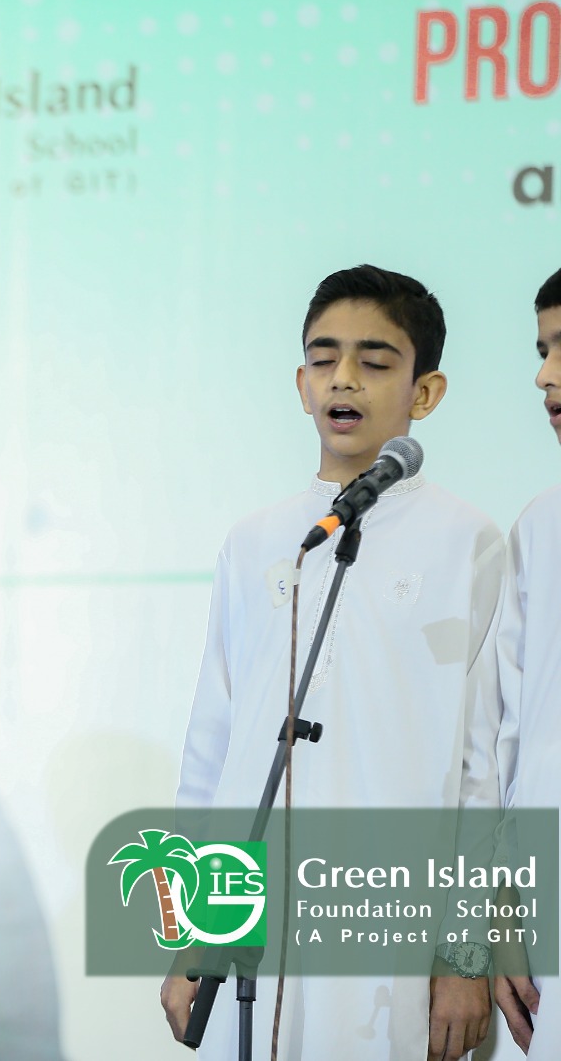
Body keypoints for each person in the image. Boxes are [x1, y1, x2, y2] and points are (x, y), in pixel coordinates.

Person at [162, 265, 505, 1059]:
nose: (344, 378)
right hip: (252, 930)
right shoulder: (257, 541)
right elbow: (212, 750)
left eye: (375, 361)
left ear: (426, 392)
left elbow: (481, 767)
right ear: (301, 383)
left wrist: (464, 956)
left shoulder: (467, 541)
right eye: (324, 358)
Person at [490, 266, 561, 1055]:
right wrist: (499, 910)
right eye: (543, 350)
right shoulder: (541, 529)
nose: (546, 376)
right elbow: (505, 743)